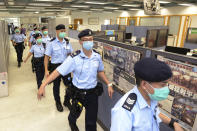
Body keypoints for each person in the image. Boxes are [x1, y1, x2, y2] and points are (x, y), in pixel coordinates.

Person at [37, 29, 114, 131]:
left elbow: (100, 71)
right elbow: (58, 71)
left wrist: (108, 84)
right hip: (79, 94)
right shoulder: (74, 58)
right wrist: (43, 85)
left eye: (90, 39)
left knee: (91, 122)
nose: (89, 42)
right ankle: (71, 122)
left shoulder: (97, 56)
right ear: (80, 42)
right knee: (74, 115)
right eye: (85, 40)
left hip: (92, 94)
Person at [110, 58, 184, 131]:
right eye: (162, 85)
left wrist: (174, 123)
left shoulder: (150, 97)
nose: (166, 89)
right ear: (144, 84)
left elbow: (154, 113)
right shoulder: (124, 112)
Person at [42, 24, 73, 112]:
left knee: (69, 85)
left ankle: (66, 101)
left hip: (66, 66)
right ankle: (58, 102)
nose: (63, 32)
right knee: (56, 86)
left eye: (64, 31)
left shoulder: (67, 42)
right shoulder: (51, 43)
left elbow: (70, 54)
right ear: (57, 31)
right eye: (61, 31)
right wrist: (46, 70)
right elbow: (46, 57)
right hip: (55, 67)